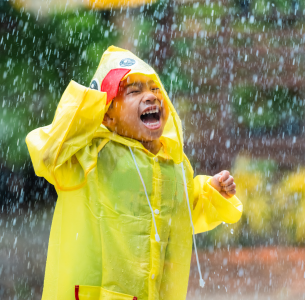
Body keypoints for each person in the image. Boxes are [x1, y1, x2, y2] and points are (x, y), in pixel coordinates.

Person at [26, 46, 243, 300]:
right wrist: (91, 103)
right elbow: (49, 153)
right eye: (134, 91)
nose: (151, 97)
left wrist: (210, 191)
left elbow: (181, 212)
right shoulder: (93, 155)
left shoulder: (173, 163)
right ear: (108, 115)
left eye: (154, 89)